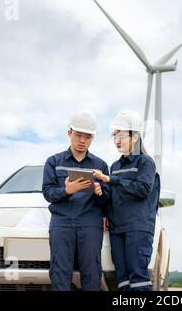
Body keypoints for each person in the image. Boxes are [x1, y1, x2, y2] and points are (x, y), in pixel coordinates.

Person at [42, 110, 109, 291]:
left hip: (90, 225)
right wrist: (66, 190)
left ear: (92, 138)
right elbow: (47, 192)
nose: (82, 141)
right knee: (60, 273)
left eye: (88, 137)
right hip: (61, 223)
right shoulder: (53, 162)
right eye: (79, 135)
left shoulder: (101, 166)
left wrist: (100, 192)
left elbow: (107, 200)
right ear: (69, 132)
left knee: (92, 274)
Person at [94, 110, 160, 291]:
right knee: (122, 281)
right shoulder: (115, 166)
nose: (117, 140)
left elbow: (143, 189)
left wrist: (111, 180)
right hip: (117, 230)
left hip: (138, 228)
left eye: (121, 135)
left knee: (138, 279)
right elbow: (112, 197)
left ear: (136, 137)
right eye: (114, 135)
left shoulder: (145, 162)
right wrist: (100, 192)